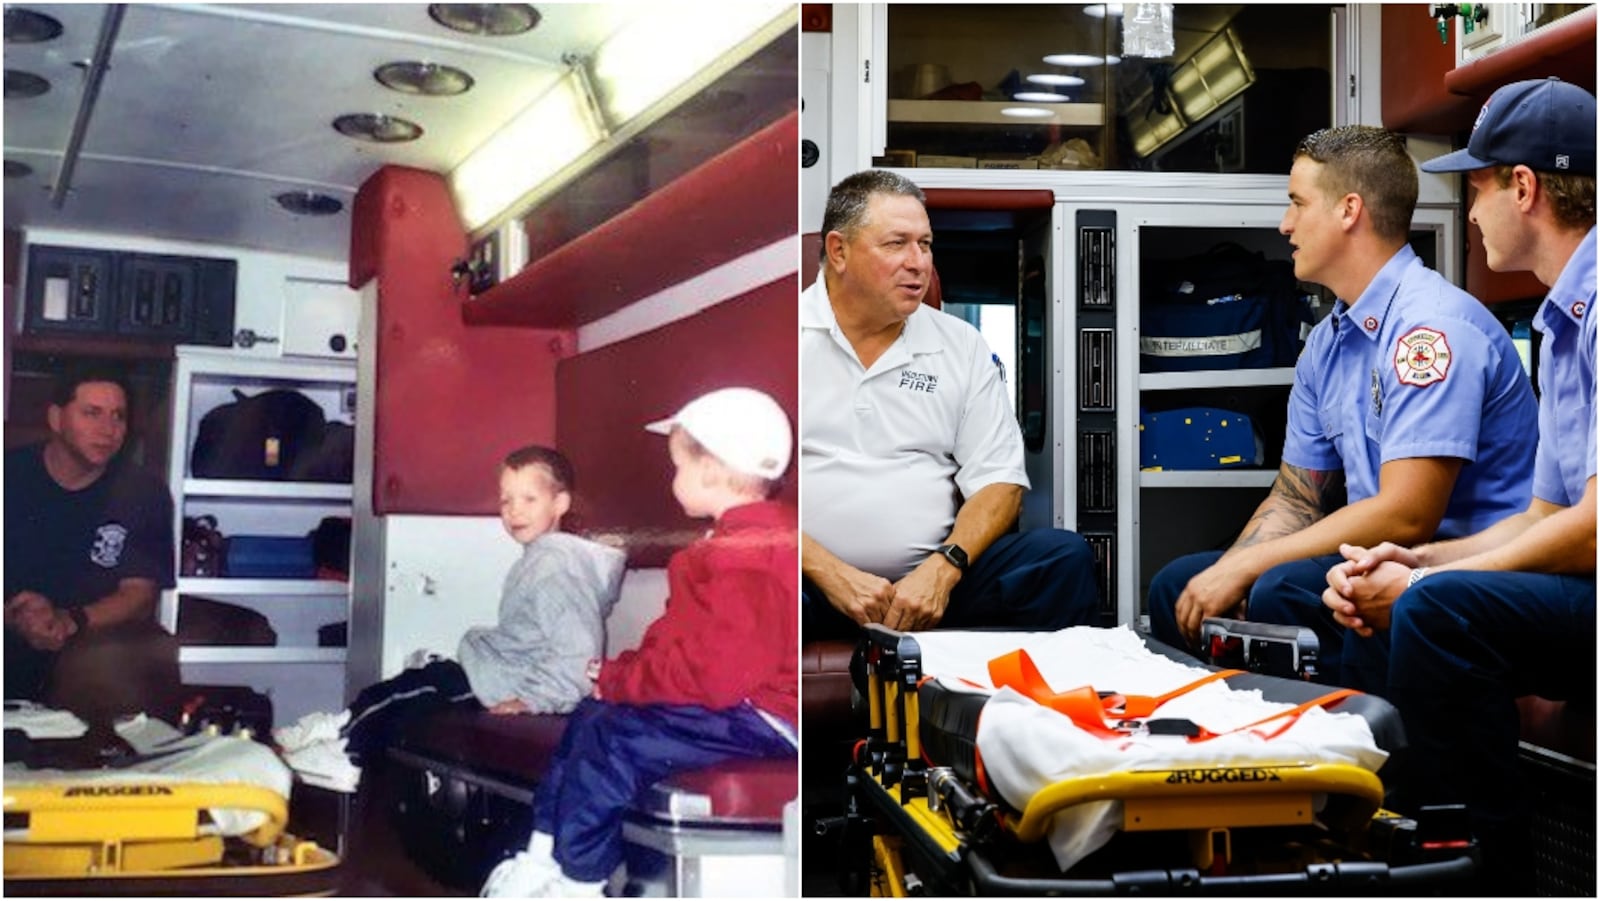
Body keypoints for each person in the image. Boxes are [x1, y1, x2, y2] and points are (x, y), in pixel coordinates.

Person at [1146, 125, 1539, 692]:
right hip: (1370, 554)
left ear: (1349, 210)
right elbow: (1296, 496)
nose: (1285, 225)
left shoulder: (1430, 329)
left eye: (1297, 204)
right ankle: (1239, 759)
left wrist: (1247, 570)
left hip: (1464, 564)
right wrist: (1224, 575)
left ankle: (1356, 763)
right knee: (1178, 585)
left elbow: (1407, 515)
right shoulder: (1327, 344)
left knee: (1280, 586)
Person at [1323, 77, 1595, 894]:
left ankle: (1489, 872)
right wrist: (1408, 560)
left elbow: (1592, 527)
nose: (1469, 213)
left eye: (1476, 188)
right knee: (1388, 590)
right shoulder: (1556, 323)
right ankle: (1384, 832)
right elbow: (1543, 516)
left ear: (1524, 187)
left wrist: (1429, 582)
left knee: (1436, 610)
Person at [481, 387, 797, 898]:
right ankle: (541, 858)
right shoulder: (736, 544)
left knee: (612, 739)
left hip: (769, 718)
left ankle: (577, 880)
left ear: (712, 471)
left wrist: (626, 683)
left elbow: (716, 676)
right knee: (593, 717)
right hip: (744, 706)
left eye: (678, 467)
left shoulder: (745, 557)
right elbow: (676, 641)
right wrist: (617, 677)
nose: (674, 478)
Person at [802, 169, 1100, 639]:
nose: (918, 262)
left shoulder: (960, 345)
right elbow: (738, 497)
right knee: (737, 573)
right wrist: (829, 572)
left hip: (932, 582)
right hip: (807, 582)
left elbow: (1000, 482)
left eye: (925, 244)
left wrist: (944, 567)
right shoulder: (776, 337)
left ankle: (1033, 713)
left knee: (1061, 559)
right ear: (838, 251)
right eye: (896, 243)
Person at [274, 445, 626, 793]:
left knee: (414, 692)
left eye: (529, 499)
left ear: (560, 504)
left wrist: (535, 701)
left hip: (507, 682)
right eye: (506, 500)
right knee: (412, 684)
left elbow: (580, 653)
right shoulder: (540, 558)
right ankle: (336, 728)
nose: (514, 511)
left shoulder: (556, 565)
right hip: (498, 671)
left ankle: (345, 753)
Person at [5, 365, 176, 705]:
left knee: (146, 651)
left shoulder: (143, 492)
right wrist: (14, 615)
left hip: (89, 641)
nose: (108, 430)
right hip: (10, 625)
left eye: (118, 416)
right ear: (56, 418)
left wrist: (70, 621)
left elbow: (140, 595)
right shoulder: (7, 476)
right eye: (92, 413)